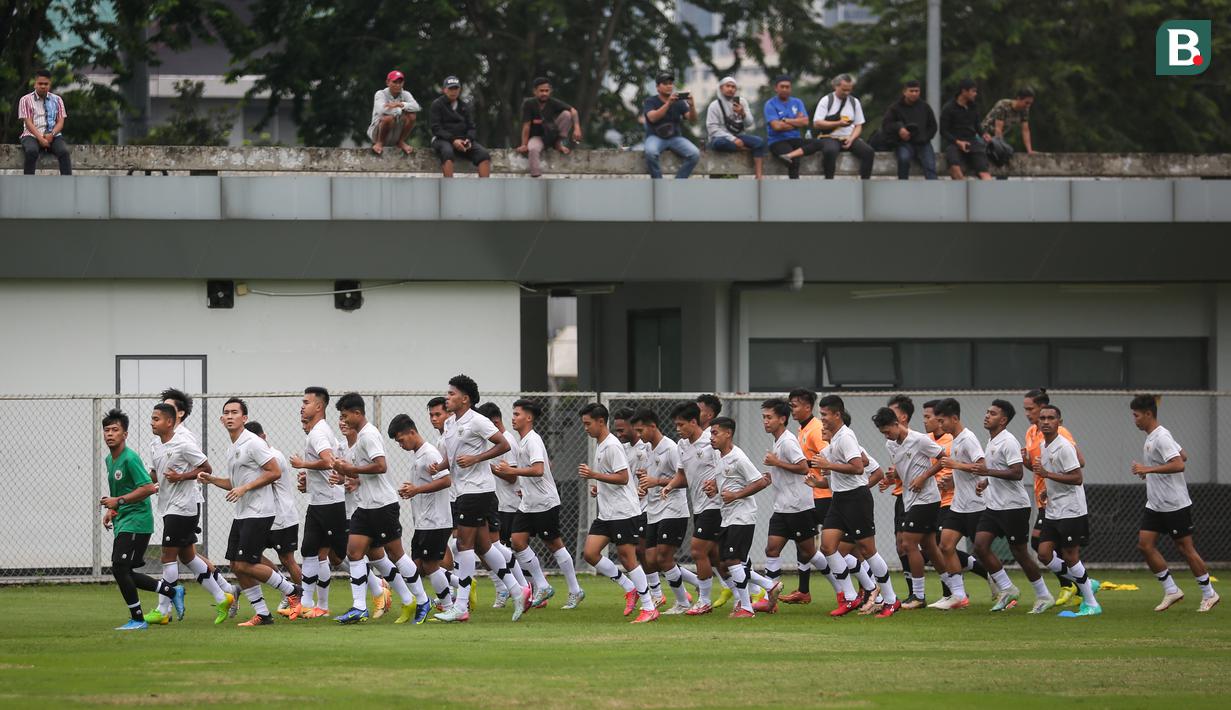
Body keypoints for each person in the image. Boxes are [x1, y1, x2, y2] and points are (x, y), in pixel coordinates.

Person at [198, 398, 302, 627]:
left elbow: (273, 472)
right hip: (243, 513)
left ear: (244, 418)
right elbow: (235, 483)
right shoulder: (232, 447)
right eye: (226, 412)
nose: (230, 416)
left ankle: (291, 590)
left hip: (259, 512)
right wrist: (212, 479)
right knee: (236, 564)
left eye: (235, 412)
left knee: (246, 564)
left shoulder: (253, 442)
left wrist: (245, 488)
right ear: (222, 419)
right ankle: (263, 614)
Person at [431, 375, 526, 622]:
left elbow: (503, 444)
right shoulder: (451, 423)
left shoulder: (478, 421)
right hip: (464, 491)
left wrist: (476, 458)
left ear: (465, 399)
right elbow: (454, 458)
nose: (447, 397)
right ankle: (519, 592)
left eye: (451, 394)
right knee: (484, 546)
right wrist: (440, 466)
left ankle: (460, 607)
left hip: (477, 491)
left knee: (464, 545)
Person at [331, 393, 432, 625]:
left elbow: (381, 466)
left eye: (345, 415)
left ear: (357, 413)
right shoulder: (358, 440)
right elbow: (360, 474)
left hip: (382, 506)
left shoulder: (369, 435)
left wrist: (349, 467)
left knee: (396, 555)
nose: (343, 420)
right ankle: (359, 607)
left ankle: (423, 600)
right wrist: (344, 472)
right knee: (354, 552)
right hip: (365, 506)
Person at [809, 395, 899, 618]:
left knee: (868, 551)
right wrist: (818, 480)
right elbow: (839, 475)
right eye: (821, 415)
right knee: (828, 547)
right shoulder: (833, 443)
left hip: (856, 499)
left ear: (837, 414)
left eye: (825, 415)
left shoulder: (847, 436)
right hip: (839, 500)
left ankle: (890, 599)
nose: (823, 420)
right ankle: (850, 597)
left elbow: (859, 467)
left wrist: (827, 465)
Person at [146, 403, 233, 626]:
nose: (152, 422)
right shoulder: (155, 444)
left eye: (156, 419)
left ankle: (163, 610)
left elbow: (207, 468)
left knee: (167, 556)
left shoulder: (184, 443)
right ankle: (222, 597)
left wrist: (182, 477)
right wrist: (141, 486)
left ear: (169, 421)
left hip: (184, 507)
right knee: (187, 556)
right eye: (152, 418)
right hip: (168, 507)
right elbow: (155, 474)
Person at [1130, 394, 1219, 612]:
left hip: (1174, 504)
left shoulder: (1161, 436)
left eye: (1137, 415)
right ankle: (1171, 590)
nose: (1135, 420)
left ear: (1149, 414)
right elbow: (1183, 455)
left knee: (1185, 548)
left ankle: (1209, 593)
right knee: (1144, 544)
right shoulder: (1153, 436)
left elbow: (1179, 464)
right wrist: (1153, 471)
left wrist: (1149, 469)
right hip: (1155, 504)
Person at [501, 398, 586, 609]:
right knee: (517, 541)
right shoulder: (522, 441)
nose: (513, 418)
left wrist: (512, 472)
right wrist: (524, 486)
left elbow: (539, 469)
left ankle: (575, 590)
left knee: (554, 544)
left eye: (517, 414)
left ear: (529, 418)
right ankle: (542, 585)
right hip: (529, 502)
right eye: (513, 414)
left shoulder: (532, 440)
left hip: (545, 503)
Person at [577, 402, 658, 623]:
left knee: (628, 558)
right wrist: (599, 486)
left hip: (623, 511)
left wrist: (594, 475)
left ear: (600, 422)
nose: (585, 428)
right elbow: (612, 477)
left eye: (588, 423)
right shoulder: (601, 444)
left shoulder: (612, 445)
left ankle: (649, 607)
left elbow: (623, 477)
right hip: (607, 512)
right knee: (590, 553)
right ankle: (628, 587)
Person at [970, 400, 1053, 613]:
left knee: (1020, 552)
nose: (987, 416)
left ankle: (1044, 595)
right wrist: (985, 482)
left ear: (1003, 420)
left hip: (1014, 507)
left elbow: (1017, 472)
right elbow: (998, 470)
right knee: (980, 545)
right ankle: (1008, 589)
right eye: (987, 412)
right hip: (994, 507)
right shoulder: (991, 441)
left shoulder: (1008, 441)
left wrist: (987, 473)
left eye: (993, 413)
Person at [754, 398, 829, 614]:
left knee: (809, 553)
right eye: (763, 417)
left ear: (782, 419)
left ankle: (844, 590)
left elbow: (803, 467)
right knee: (772, 548)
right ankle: (771, 602)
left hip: (798, 507)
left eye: (769, 417)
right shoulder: (779, 441)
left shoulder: (787, 441)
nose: (765, 422)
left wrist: (777, 463)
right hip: (782, 507)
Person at [99, 409, 170, 630]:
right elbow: (122, 491)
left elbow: (149, 487)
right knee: (125, 571)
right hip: (125, 520)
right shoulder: (110, 459)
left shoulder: (130, 458)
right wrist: (112, 510)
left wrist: (118, 502)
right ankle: (171, 591)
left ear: (125, 434)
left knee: (120, 568)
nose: (110, 434)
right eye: (107, 430)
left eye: (115, 430)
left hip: (137, 521)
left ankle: (138, 619)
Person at [872, 406, 946, 611]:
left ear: (897, 424)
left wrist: (924, 477)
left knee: (907, 543)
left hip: (927, 498)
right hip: (910, 499)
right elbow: (903, 469)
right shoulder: (891, 444)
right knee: (930, 545)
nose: (887, 436)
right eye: (883, 433)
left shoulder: (920, 439)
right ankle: (953, 591)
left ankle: (918, 595)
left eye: (888, 430)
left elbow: (943, 458)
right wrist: (890, 479)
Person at [1033, 404, 1102, 618]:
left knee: (1071, 556)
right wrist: (1047, 491)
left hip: (1072, 509)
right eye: (1042, 418)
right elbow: (1055, 475)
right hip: (1054, 509)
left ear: (1059, 423)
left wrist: (1046, 474)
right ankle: (1085, 582)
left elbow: (1077, 477)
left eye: (1050, 418)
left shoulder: (1064, 446)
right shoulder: (1044, 445)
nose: (1045, 421)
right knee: (1044, 553)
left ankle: (1091, 603)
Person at [1023, 387, 1088, 608]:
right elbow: (1038, 467)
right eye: (1039, 417)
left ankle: (1082, 591)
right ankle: (1077, 583)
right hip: (1049, 500)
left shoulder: (1063, 437)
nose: (1028, 414)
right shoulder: (1035, 437)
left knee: (1065, 552)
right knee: (1042, 549)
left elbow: (1078, 468)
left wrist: (1048, 476)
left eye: (1031, 409)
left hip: (1068, 504)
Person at [701, 417, 769, 618]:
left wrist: (736, 495)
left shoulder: (738, 457)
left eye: (715, 433)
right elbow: (730, 485)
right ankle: (768, 585)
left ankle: (747, 608)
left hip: (742, 515)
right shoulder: (721, 457)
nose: (711, 438)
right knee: (728, 561)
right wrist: (714, 488)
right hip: (729, 516)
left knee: (731, 560)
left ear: (728, 433)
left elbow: (760, 482)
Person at [288, 386, 346, 619]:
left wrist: (303, 464)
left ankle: (377, 584)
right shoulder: (315, 431)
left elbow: (329, 461)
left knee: (342, 555)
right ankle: (310, 603)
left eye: (306, 402)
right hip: (318, 501)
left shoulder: (319, 432)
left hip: (331, 502)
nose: (302, 406)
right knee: (311, 551)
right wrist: (308, 482)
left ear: (319, 407)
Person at [390, 414, 456, 614]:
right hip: (423, 521)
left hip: (435, 520)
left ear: (412, 432)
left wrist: (417, 490)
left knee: (429, 565)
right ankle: (463, 585)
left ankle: (449, 607)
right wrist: (411, 490)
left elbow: (446, 480)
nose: (400, 445)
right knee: (417, 565)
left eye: (401, 440)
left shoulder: (429, 453)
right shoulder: (419, 455)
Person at [634, 408, 697, 615]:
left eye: (641, 430)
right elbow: (654, 477)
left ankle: (682, 602)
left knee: (663, 558)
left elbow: (686, 479)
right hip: (654, 510)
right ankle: (696, 581)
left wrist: (657, 481)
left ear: (653, 426)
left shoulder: (670, 448)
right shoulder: (648, 449)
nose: (639, 435)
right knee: (650, 559)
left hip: (673, 509)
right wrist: (645, 482)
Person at [779, 388, 836, 604]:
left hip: (824, 494)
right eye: (791, 404)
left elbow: (828, 456)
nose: (792, 409)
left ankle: (864, 588)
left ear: (807, 407)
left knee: (842, 546)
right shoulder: (802, 430)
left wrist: (801, 465)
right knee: (803, 542)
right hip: (811, 494)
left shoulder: (816, 430)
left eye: (795, 405)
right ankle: (803, 590)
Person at [246, 421, 305, 620]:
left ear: (263, 437)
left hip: (282, 517)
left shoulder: (274, 458)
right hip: (265, 516)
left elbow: (259, 481)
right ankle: (286, 588)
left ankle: (300, 599)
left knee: (287, 559)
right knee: (250, 556)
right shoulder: (257, 458)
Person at [931, 398, 986, 610]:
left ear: (954, 418)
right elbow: (964, 472)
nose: (940, 425)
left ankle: (1004, 587)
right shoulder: (954, 439)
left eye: (942, 420)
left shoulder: (968, 438)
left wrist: (955, 465)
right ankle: (959, 596)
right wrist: (951, 480)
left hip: (975, 505)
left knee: (983, 551)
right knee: (945, 545)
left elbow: (981, 467)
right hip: (958, 504)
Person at [476, 401, 531, 608]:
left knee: (497, 548)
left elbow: (511, 477)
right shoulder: (496, 441)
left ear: (494, 421)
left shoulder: (506, 441)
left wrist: (483, 465)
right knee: (487, 548)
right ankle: (510, 588)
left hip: (507, 504)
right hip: (498, 502)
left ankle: (523, 587)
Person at [612, 408, 655, 606]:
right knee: (641, 552)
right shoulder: (622, 448)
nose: (619, 434)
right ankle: (655, 591)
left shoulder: (648, 448)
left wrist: (646, 487)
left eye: (622, 430)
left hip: (648, 506)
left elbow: (654, 474)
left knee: (646, 551)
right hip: (631, 506)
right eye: (617, 431)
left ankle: (655, 592)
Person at [812, 73, 875, 180]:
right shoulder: (826, 100)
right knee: (830, 151)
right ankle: (829, 180)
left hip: (849, 136)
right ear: (836, 86)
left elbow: (858, 125)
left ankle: (865, 182)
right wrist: (838, 123)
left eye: (849, 90)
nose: (847, 93)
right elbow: (817, 123)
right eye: (844, 90)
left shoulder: (854, 102)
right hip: (830, 136)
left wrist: (851, 139)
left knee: (868, 152)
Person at [516, 77, 582, 177]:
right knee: (533, 149)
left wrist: (577, 128)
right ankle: (536, 176)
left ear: (550, 91)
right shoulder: (529, 104)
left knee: (567, 114)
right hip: (537, 138)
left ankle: (558, 143)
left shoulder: (553, 102)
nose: (544, 94)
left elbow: (573, 110)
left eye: (546, 91)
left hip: (552, 135)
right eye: (541, 91)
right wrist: (524, 144)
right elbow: (526, 125)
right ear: (535, 91)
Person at [873, 80, 938, 179]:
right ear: (905, 92)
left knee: (930, 165)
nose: (914, 94)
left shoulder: (925, 107)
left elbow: (933, 126)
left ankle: (934, 190)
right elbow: (886, 125)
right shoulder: (895, 108)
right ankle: (903, 185)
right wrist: (899, 129)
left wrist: (924, 138)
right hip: (903, 143)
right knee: (904, 159)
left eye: (917, 91)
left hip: (923, 143)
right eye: (911, 91)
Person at [429, 76, 491, 178]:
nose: (453, 91)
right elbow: (436, 129)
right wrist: (453, 140)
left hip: (463, 140)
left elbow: (471, 127)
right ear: (444, 90)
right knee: (447, 152)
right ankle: (449, 188)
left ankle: (485, 190)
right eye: (450, 88)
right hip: (443, 139)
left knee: (484, 155)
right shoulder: (437, 104)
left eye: (456, 88)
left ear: (459, 90)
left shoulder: (464, 106)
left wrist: (468, 140)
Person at [705, 76, 766, 179]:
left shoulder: (742, 102)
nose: (730, 89)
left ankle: (758, 175)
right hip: (721, 138)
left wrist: (742, 113)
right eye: (727, 86)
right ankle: (743, 148)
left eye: (733, 87)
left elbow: (749, 123)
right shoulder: (714, 105)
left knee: (759, 142)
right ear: (721, 88)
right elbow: (712, 130)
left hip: (739, 136)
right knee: (720, 143)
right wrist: (733, 140)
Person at [762, 75, 822, 179]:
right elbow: (776, 126)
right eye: (782, 87)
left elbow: (805, 122)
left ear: (791, 88)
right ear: (776, 88)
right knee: (795, 161)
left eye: (787, 87)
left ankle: (790, 155)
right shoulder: (770, 104)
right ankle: (794, 189)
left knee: (819, 143)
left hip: (795, 138)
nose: (785, 89)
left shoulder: (797, 102)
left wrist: (786, 120)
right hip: (777, 141)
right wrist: (796, 123)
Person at [642, 72, 699, 179]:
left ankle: (677, 183)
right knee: (650, 153)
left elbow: (693, 120)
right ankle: (659, 183)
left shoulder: (679, 102)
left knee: (694, 154)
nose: (669, 86)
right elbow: (652, 117)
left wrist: (691, 105)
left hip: (675, 138)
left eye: (671, 83)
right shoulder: (650, 101)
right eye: (665, 83)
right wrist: (668, 103)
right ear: (658, 87)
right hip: (655, 137)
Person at [17, 69, 72, 175]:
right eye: (40, 83)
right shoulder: (25, 100)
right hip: (31, 134)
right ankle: (28, 182)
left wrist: (52, 134)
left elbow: (60, 122)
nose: (43, 86)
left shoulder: (57, 100)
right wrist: (40, 138)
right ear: (35, 84)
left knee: (64, 152)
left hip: (53, 134)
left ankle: (68, 183)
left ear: (50, 84)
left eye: (46, 84)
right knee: (31, 151)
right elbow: (28, 123)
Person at [940, 78, 991, 180]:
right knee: (955, 169)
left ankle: (988, 194)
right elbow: (943, 131)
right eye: (973, 91)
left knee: (985, 174)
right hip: (954, 143)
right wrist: (958, 142)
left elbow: (977, 125)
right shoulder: (948, 108)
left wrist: (983, 134)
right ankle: (963, 193)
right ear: (964, 91)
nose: (975, 94)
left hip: (973, 142)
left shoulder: (974, 107)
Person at [368, 69, 419, 156]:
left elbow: (416, 107)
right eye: (395, 82)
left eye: (400, 82)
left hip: (395, 131)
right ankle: (379, 143)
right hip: (377, 132)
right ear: (388, 82)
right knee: (388, 117)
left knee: (412, 116)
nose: (398, 85)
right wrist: (400, 110)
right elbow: (381, 110)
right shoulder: (380, 94)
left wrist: (400, 104)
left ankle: (401, 141)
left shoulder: (406, 94)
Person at [981, 87, 1035, 157]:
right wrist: (1000, 147)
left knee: (1009, 152)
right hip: (985, 134)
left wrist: (1029, 150)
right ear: (1018, 98)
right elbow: (998, 129)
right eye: (1026, 103)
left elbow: (1025, 130)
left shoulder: (1025, 109)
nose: (1028, 106)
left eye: (1030, 103)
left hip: (996, 137)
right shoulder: (1003, 105)